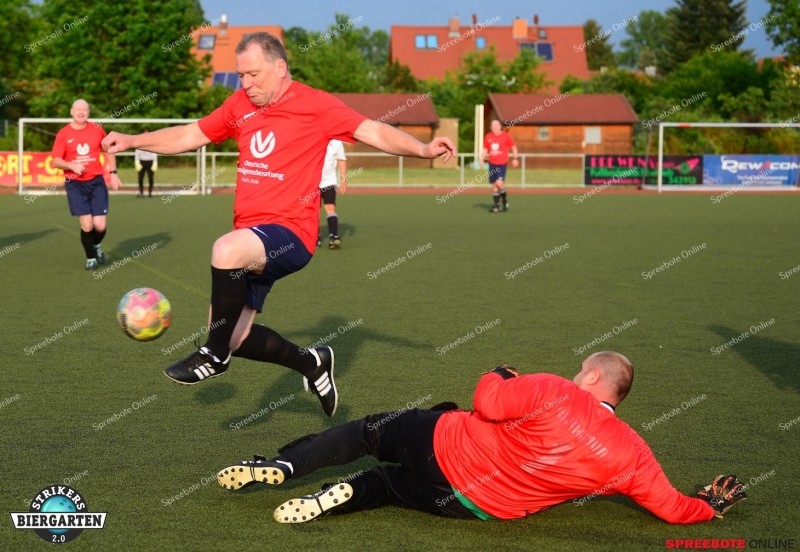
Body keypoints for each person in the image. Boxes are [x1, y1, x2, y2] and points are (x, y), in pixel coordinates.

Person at [102, 32, 455, 416]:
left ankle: (213, 357)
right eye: (240, 76)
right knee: (236, 335)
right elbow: (191, 134)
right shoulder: (240, 104)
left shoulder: (316, 105)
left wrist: (422, 149)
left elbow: (373, 131)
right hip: (252, 237)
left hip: (290, 234)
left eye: (253, 74)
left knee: (226, 252)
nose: (245, 84)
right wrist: (134, 139)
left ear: (280, 67)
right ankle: (311, 362)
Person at [215, 351, 746, 525]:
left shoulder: (560, 392)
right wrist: (707, 505)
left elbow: (488, 402)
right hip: (472, 506)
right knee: (387, 485)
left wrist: (501, 373)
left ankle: (284, 467)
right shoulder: (631, 453)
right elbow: (673, 508)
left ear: (591, 377)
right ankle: (334, 499)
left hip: (444, 443)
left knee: (366, 432)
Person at [52, 99, 121, 270]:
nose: (81, 112)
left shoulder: (97, 130)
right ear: (71, 112)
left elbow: (109, 150)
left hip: (96, 182)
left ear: (89, 112)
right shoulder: (63, 134)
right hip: (74, 184)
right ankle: (90, 258)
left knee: (100, 225)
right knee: (87, 223)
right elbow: (55, 161)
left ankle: (96, 245)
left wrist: (113, 173)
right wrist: (71, 165)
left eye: (84, 109)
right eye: (78, 109)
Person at [316, 139, 347, 249]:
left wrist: (343, 180)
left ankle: (333, 237)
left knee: (330, 207)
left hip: (329, 181)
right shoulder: (313, 136)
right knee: (314, 210)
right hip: (312, 181)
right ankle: (315, 237)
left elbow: (341, 159)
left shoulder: (337, 141)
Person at [483, 120, 518, 212]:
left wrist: (515, 158)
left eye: (496, 125)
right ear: (491, 127)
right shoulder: (488, 136)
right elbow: (485, 149)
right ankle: (497, 206)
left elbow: (513, 147)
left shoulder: (506, 136)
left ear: (500, 126)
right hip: (492, 163)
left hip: (502, 164)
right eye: (493, 126)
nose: (495, 127)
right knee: (494, 185)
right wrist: (481, 160)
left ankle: (505, 200)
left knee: (499, 183)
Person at [135, 129, 157, 197]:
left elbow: (155, 152)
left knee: (151, 178)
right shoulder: (139, 142)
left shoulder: (152, 143)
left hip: (150, 161)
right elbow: (137, 153)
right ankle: (141, 192)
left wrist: (155, 162)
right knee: (140, 178)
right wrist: (137, 162)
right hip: (142, 162)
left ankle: (150, 192)